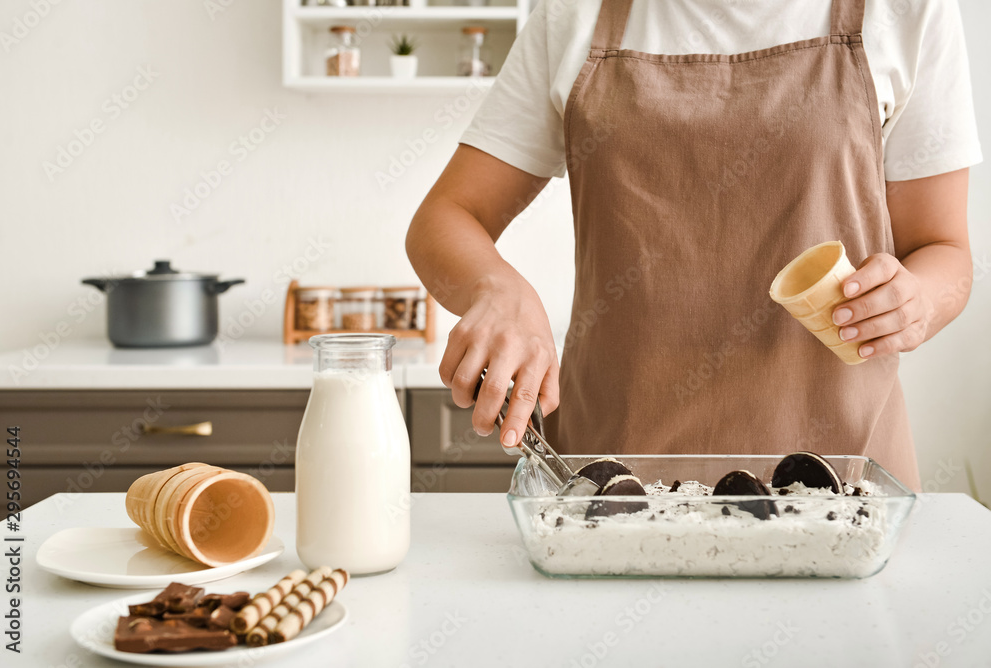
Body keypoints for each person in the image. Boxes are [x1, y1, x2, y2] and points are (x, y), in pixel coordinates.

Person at [405, 0, 982, 491]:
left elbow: (944, 251)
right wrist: (496, 288)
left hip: (843, 482)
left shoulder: (907, 10)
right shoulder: (574, 13)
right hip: (612, 489)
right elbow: (446, 216)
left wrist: (918, 302)